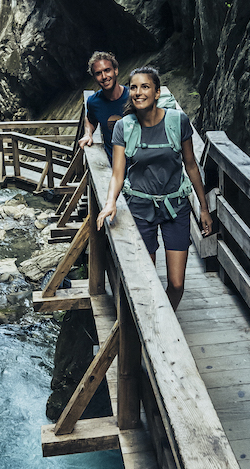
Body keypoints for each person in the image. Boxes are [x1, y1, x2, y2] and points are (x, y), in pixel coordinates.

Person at [96, 66, 213, 310]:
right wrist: (110, 203)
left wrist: (203, 208)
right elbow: (118, 174)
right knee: (147, 281)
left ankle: (166, 318)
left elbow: (191, 165)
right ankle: (155, 327)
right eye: (135, 87)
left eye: (145, 87)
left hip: (176, 207)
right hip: (140, 207)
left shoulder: (177, 121)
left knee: (177, 283)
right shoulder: (124, 127)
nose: (138, 92)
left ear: (157, 92)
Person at [78, 51, 129, 161]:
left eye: (107, 70)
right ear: (94, 78)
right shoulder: (93, 102)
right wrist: (88, 134)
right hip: (114, 165)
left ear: (115, 70)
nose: (104, 76)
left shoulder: (134, 97)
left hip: (139, 166)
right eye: (98, 73)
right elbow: (90, 118)